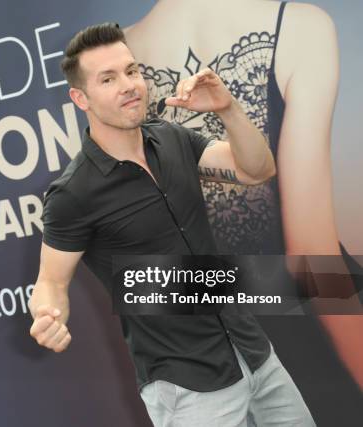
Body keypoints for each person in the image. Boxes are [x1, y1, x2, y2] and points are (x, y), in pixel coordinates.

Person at [28, 23, 315, 426]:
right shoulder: (73, 194)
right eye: (108, 79)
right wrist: (46, 315)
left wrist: (227, 108)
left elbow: (257, 169)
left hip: (254, 355)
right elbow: (51, 283)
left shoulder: (172, 139)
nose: (128, 85)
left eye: (131, 71)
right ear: (81, 98)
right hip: (188, 388)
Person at [123, 0, 363, 391]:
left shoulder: (110, 61)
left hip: (208, 354)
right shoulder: (301, 26)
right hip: (309, 337)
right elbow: (310, 257)